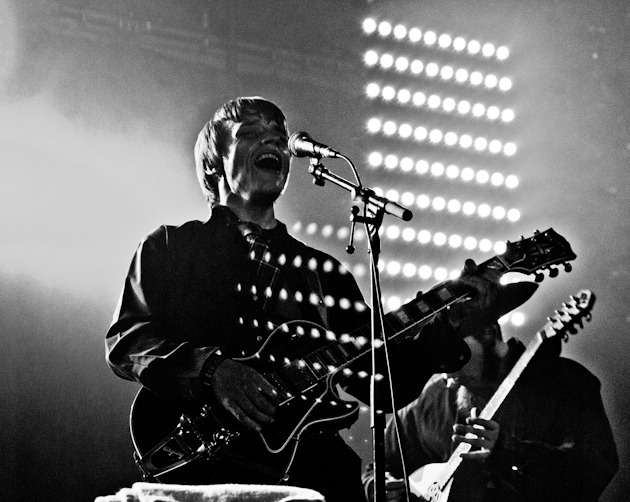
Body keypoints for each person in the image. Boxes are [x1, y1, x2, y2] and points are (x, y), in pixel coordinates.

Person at [105, 96, 521, 502]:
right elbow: (127, 341)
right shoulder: (171, 247)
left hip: (305, 471)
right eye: (250, 132)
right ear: (215, 166)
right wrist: (213, 370)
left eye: (278, 134)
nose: (273, 140)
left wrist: (449, 321)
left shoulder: (324, 274)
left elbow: (383, 383)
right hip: (199, 459)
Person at [362, 320, 619, 502]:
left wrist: (509, 450)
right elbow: (382, 462)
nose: (446, 373)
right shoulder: (433, 397)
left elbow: (595, 469)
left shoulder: (564, 380)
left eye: (452, 356)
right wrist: (378, 485)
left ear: (487, 333)